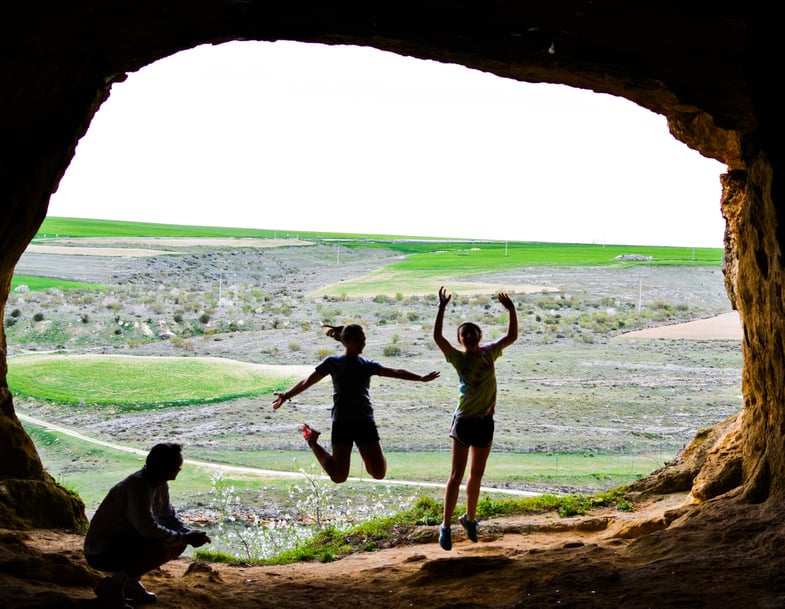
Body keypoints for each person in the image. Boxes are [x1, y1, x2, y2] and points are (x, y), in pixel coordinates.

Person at [273, 323, 440, 483]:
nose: (363, 343)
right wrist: (286, 395)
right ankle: (312, 441)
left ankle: (370, 451)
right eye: (359, 340)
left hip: (364, 421)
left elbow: (395, 372)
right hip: (342, 422)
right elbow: (307, 382)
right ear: (347, 341)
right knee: (339, 477)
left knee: (378, 473)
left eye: (364, 339)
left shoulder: (367, 365)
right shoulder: (332, 363)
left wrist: (420, 378)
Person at [433, 286, 518, 550]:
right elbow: (438, 338)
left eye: (473, 331)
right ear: (460, 340)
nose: (469, 335)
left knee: (477, 475)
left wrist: (512, 310)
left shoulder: (490, 352)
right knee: (456, 475)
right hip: (464, 421)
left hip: (485, 421)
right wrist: (442, 307)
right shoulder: (457, 359)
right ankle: (445, 526)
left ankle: (469, 519)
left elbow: (511, 336)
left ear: (479, 335)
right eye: (464, 333)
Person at [83, 442, 211, 609]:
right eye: (179, 464)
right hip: (101, 551)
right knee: (159, 550)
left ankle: (129, 581)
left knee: (177, 544)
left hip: (123, 541)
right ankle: (113, 586)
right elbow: (147, 528)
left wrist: (188, 534)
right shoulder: (137, 487)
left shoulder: (159, 484)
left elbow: (168, 516)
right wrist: (184, 537)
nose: (180, 468)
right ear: (168, 467)